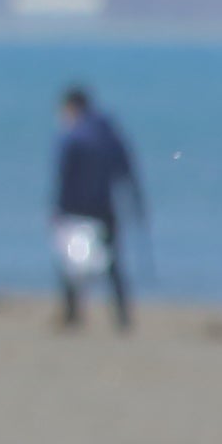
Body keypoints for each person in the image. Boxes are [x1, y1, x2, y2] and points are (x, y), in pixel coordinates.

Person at [51, 86, 142, 332]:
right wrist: (137, 203)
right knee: (111, 265)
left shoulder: (74, 137)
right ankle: (122, 317)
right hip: (105, 208)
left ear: (72, 107)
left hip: (76, 210)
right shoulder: (110, 134)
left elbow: (65, 176)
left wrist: (57, 209)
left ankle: (72, 315)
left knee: (71, 264)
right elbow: (126, 172)